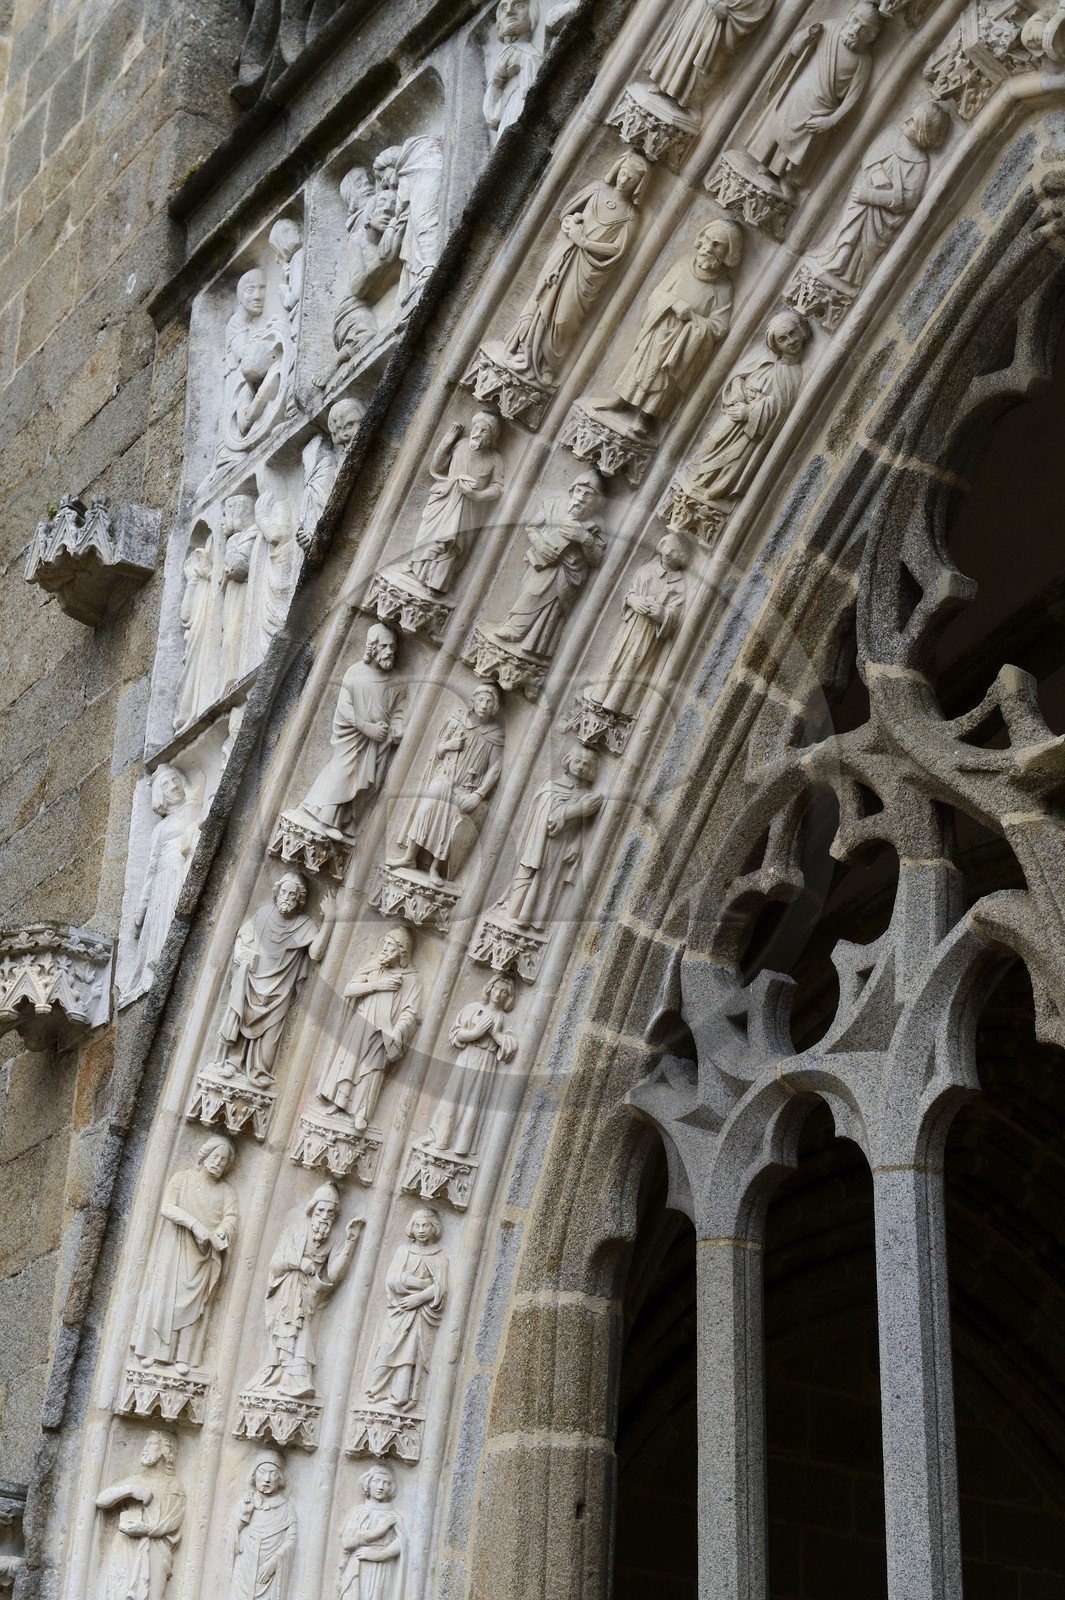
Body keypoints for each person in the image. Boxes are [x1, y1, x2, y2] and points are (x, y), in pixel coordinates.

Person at [502, 152, 649, 386]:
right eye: (623, 174)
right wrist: (572, 225)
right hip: (564, 254)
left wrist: (586, 243)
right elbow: (565, 214)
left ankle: (548, 364)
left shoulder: (631, 215)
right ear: (617, 170)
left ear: (637, 185)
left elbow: (618, 249)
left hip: (588, 269)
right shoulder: (596, 188)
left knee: (564, 319)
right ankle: (523, 349)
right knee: (542, 298)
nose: (623, 181)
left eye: (630, 179)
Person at [606, 220, 743, 433]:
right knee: (642, 363)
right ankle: (620, 400)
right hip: (661, 328)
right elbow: (658, 294)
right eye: (707, 239)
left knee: (665, 379)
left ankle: (645, 416)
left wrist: (693, 321)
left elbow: (719, 326)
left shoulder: (723, 287)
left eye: (717, 245)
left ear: (728, 253)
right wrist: (674, 303)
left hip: (684, 342)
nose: (708, 248)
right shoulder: (682, 265)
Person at [813, 101, 951, 287]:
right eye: (910, 116)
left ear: (923, 132)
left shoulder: (920, 163)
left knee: (860, 247)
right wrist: (878, 179)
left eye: (913, 121)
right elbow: (870, 157)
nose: (907, 119)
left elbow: (910, 200)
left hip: (882, 215)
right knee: (847, 229)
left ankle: (848, 272)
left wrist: (871, 196)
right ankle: (836, 256)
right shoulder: (891, 136)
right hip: (864, 196)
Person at [130, 1136, 237, 1373]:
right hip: (177, 1247)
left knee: (195, 1306)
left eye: (223, 1160)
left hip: (204, 1254)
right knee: (165, 1297)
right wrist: (194, 1224)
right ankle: (152, 1352)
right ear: (205, 1155)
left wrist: (219, 1232)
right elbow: (167, 1207)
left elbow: (231, 1218)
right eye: (215, 1157)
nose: (218, 1163)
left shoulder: (226, 1191)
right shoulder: (183, 1179)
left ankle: (183, 1356)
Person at [748, 2, 883, 185]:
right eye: (855, 21)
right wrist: (804, 37)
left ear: (872, 36)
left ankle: (784, 178)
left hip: (823, 111)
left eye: (864, 29)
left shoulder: (863, 61)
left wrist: (831, 120)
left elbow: (853, 97)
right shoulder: (828, 27)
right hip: (800, 95)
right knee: (781, 126)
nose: (856, 29)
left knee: (802, 149)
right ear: (850, 15)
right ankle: (765, 160)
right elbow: (795, 50)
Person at [248, 1183, 362, 1398]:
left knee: (301, 1332)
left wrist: (350, 1241)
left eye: (330, 1212)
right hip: (286, 1290)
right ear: (312, 1209)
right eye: (320, 1211)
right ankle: (278, 1378)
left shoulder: (335, 1237)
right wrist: (299, 1263)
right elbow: (275, 1264)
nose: (324, 1217)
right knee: (286, 1332)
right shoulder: (296, 1229)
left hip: (309, 1294)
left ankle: (296, 1381)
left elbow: (335, 1274)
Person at [293, 625, 405, 842]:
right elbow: (344, 707)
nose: (389, 651)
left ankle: (345, 822)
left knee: (366, 783)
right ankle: (327, 819)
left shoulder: (396, 682)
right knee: (343, 771)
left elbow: (398, 710)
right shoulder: (356, 672)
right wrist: (365, 727)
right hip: (353, 735)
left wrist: (396, 728)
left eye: (393, 647)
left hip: (377, 742)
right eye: (384, 646)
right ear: (372, 648)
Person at [686, 309, 810, 503]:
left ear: (801, 331)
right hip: (735, 410)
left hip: (750, 424)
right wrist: (736, 387)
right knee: (710, 444)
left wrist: (748, 412)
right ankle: (694, 482)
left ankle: (714, 488)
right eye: (783, 339)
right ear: (775, 344)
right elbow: (739, 376)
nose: (790, 341)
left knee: (734, 459)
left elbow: (779, 409)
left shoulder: (792, 374)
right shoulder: (763, 359)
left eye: (792, 334)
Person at [389, 686, 505, 885]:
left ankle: (435, 868)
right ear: (473, 701)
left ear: (494, 706)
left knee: (449, 827)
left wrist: (479, 794)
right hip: (443, 778)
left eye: (489, 702)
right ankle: (409, 857)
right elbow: (439, 751)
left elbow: (494, 769)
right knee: (425, 812)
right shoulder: (457, 720)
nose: (484, 706)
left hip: (465, 788)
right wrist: (449, 745)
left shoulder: (494, 734)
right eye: (481, 700)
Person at [217, 873, 322, 1086]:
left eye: (293, 894)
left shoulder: (306, 925)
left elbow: (316, 954)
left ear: (299, 898)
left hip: (280, 988)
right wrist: (240, 954)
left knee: (270, 1033)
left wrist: (329, 920)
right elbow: (242, 936)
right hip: (253, 979)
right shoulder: (264, 913)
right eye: (284, 891)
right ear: (277, 891)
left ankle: (261, 1071)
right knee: (243, 1014)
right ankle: (233, 1062)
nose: (287, 897)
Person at [317, 927, 422, 1131]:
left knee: (372, 1069)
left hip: (385, 1031)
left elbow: (411, 1012)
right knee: (350, 1061)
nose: (384, 950)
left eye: (390, 947)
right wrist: (378, 985)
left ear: (402, 952)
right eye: (384, 945)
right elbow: (349, 990)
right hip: (363, 1021)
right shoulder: (374, 967)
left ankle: (361, 1113)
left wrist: (398, 1031)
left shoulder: (412, 979)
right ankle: (340, 1101)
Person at [492, 472, 605, 660]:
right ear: (572, 491)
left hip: (568, 572)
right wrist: (540, 544)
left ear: (597, 501)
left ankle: (535, 644)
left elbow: (597, 559)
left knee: (552, 609)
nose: (581, 497)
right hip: (543, 561)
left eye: (588, 494)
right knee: (531, 591)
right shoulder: (554, 505)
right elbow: (531, 527)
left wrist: (585, 539)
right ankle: (514, 626)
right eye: (578, 491)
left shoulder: (596, 524)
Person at [502, 747, 603, 930]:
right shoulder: (552, 787)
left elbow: (580, 827)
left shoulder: (585, 794)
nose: (581, 767)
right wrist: (577, 810)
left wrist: (576, 844)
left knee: (549, 883)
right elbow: (547, 818)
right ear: (568, 760)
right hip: (542, 842)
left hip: (563, 845)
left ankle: (535, 921)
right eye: (577, 761)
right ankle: (515, 914)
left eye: (586, 764)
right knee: (529, 874)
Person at [590, 533, 689, 717]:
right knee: (617, 658)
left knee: (635, 666)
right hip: (631, 627)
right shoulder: (647, 570)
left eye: (672, 554)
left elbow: (675, 614)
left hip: (649, 635)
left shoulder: (679, 584)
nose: (667, 556)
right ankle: (599, 695)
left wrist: (662, 614)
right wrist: (633, 600)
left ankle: (618, 705)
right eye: (665, 551)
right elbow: (631, 592)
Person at [404, 414, 505, 595]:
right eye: (476, 428)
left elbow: (498, 488)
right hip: (445, 498)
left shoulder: (494, 458)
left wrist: (477, 494)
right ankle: (418, 570)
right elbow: (439, 466)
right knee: (431, 537)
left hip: (468, 508)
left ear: (492, 436)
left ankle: (436, 584)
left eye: (484, 431)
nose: (477, 433)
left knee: (451, 542)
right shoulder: (461, 445)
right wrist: (447, 441)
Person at [126, 766, 201, 995]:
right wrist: (142, 905)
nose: (174, 787)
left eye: (175, 780)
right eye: (166, 785)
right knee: (160, 924)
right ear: (160, 795)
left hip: (181, 868)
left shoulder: (193, 807)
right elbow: (151, 866)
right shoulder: (159, 828)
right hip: (163, 877)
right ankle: (154, 971)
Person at [365, 1208, 449, 1411]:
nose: (421, 1230)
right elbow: (392, 1279)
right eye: (417, 1225)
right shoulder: (403, 1251)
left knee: (410, 1354)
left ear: (434, 1228)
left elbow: (440, 1287)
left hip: (420, 1315)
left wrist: (419, 1298)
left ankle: (399, 1396)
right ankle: (375, 1391)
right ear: (411, 1227)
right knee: (387, 1348)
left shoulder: (440, 1258)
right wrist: (420, 1284)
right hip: (398, 1311)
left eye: (426, 1225)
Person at [427, 977, 518, 1157]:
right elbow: (455, 1033)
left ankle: (462, 1145)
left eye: (504, 992)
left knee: (474, 1102)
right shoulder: (472, 1009)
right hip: (467, 1056)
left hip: (486, 1061)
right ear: (489, 988)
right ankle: (440, 1138)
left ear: (509, 997)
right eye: (495, 988)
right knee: (452, 1096)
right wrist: (474, 1033)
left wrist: (496, 1034)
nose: (498, 994)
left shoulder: (505, 1020)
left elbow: (510, 1047)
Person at [96, 1431, 186, 1600]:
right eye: (144, 1444)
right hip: (125, 1546)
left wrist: (147, 1529)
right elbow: (101, 1501)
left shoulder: (173, 1486)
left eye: (150, 1444)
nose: (144, 1449)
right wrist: (129, 1490)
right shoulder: (135, 1480)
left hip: (155, 1549)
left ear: (164, 1452)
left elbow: (173, 1521)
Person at [645, 0, 774, 111]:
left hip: (729, 20)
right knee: (682, 44)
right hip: (705, 9)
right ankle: (663, 82)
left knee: (707, 62)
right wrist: (715, 2)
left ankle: (687, 99)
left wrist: (735, 14)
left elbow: (759, 8)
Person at [297, 398, 365, 551]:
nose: (347, 445)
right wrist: (310, 537)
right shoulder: (338, 469)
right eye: (342, 442)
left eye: (349, 427)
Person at [228, 1454, 296, 1600]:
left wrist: (273, 1562)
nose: (267, 1478)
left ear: (280, 1479)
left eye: (273, 1474)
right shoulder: (245, 1503)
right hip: (244, 1571)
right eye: (263, 1472)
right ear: (254, 1475)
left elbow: (291, 1540)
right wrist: (245, 1514)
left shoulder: (286, 1508)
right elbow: (231, 1536)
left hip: (268, 1578)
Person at [337, 1465, 406, 1600]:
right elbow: (346, 1542)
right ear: (367, 1484)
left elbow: (402, 1543)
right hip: (358, 1567)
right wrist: (378, 1531)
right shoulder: (358, 1512)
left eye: (386, 1483)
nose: (381, 1487)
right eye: (376, 1481)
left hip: (382, 1569)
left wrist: (381, 1554)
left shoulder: (393, 1516)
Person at [174, 534, 216, 732]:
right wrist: (192, 580)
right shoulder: (198, 586)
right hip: (196, 634)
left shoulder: (214, 582)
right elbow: (185, 615)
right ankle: (188, 715)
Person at [484, 0, 542, 138]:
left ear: (531, 15)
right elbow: (491, 116)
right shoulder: (502, 59)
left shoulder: (532, 55)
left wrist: (525, 59)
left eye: (519, 6)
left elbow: (534, 94)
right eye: (504, 8)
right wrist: (498, 77)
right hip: (507, 123)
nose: (509, 11)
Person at [219, 494, 259, 693]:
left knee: (237, 631)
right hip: (233, 596)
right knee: (229, 633)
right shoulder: (236, 539)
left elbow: (238, 568)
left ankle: (237, 673)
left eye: (225, 515)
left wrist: (231, 556)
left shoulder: (251, 534)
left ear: (238, 513)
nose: (221, 522)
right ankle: (230, 676)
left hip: (244, 595)